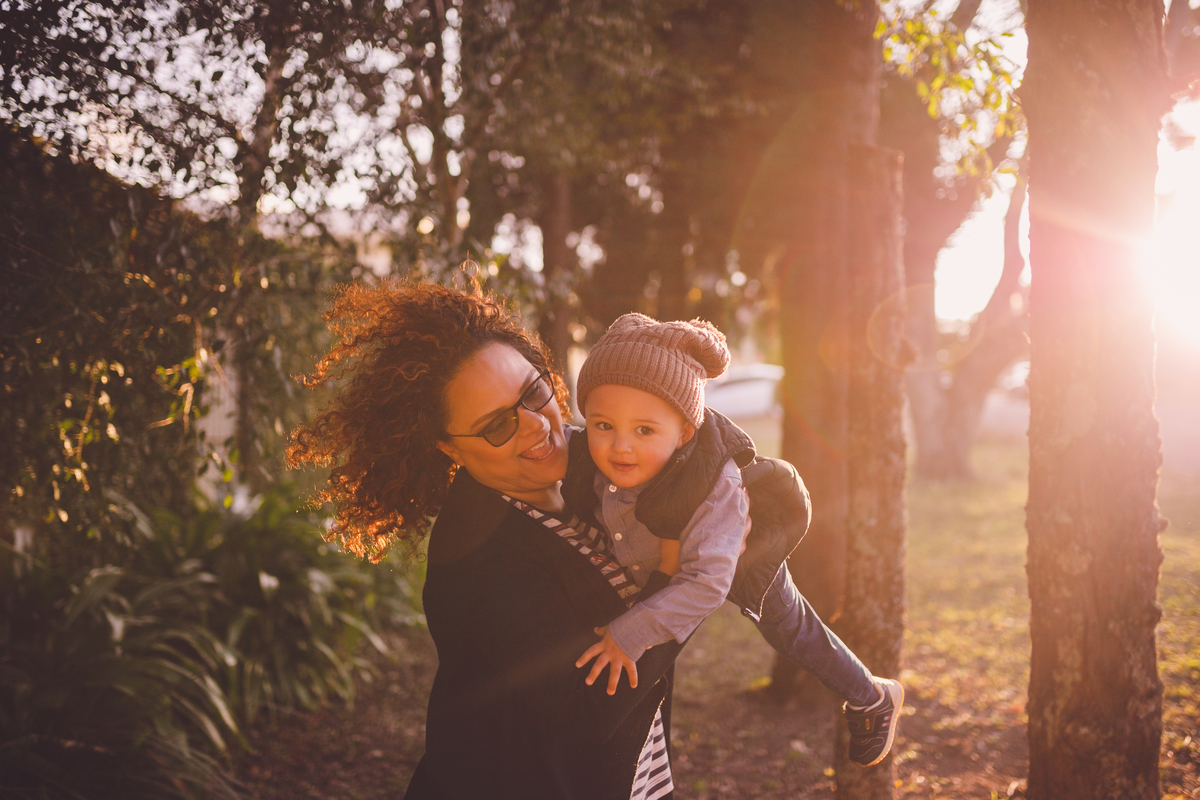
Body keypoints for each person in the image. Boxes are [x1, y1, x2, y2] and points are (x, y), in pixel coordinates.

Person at [287, 282, 683, 799]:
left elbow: (691, 465)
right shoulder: (476, 564)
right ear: (450, 448)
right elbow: (588, 710)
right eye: (496, 425)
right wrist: (681, 579)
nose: (536, 426)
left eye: (532, 393)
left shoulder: (584, 468)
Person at [566, 312, 904, 768]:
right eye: (603, 426)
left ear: (685, 432)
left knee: (791, 630)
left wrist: (632, 631)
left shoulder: (715, 484)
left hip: (739, 559)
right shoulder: (591, 453)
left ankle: (872, 697)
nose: (620, 446)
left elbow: (707, 583)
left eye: (644, 430)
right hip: (672, 568)